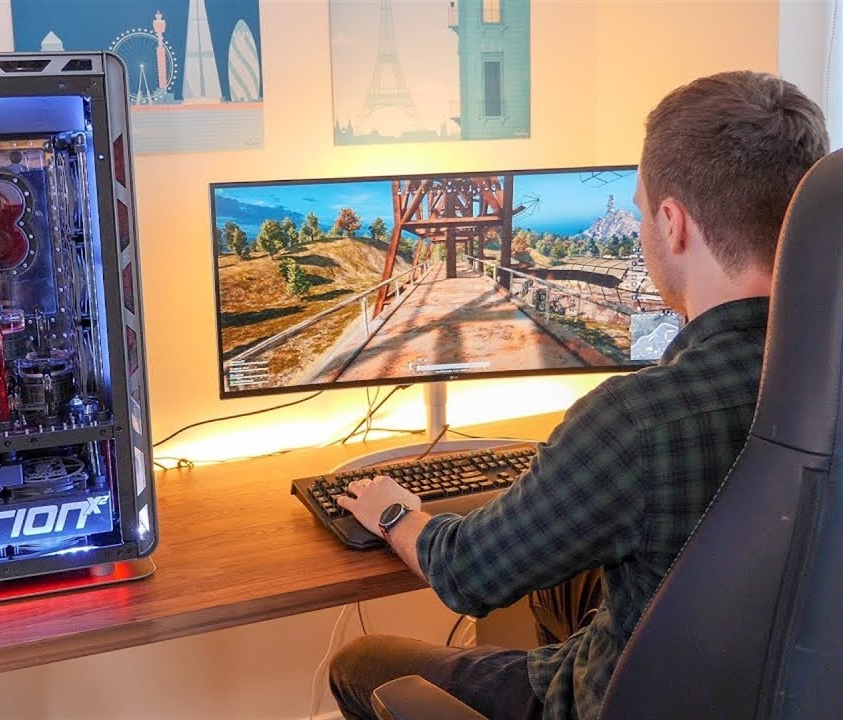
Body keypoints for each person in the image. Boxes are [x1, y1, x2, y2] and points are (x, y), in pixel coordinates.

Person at [330, 71, 830, 720]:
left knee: (358, 664)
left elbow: (467, 575)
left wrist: (396, 513)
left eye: (642, 210)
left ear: (673, 224)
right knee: (566, 581)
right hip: (781, 685)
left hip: (613, 697)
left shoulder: (634, 423)